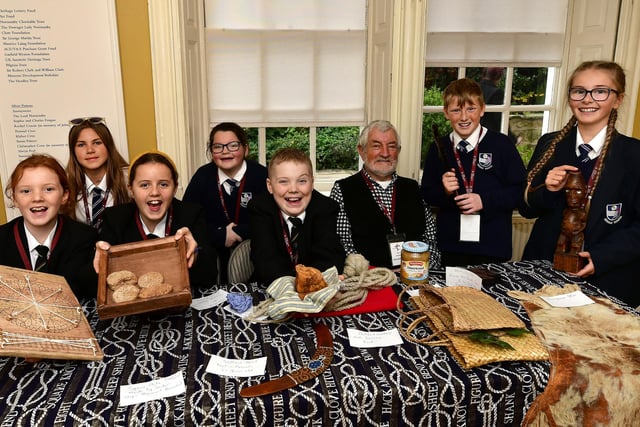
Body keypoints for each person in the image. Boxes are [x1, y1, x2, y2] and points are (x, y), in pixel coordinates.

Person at [520, 60, 640, 307]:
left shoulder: (634, 155)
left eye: (600, 91)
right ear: (570, 97)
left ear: (618, 99)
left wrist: (602, 257)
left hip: (608, 280)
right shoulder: (549, 144)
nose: (588, 99)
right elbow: (526, 208)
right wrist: (547, 190)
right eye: (579, 91)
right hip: (545, 275)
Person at [421, 78, 526, 266]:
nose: (464, 117)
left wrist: (484, 200)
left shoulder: (501, 145)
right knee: (451, 295)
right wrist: (443, 191)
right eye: (455, 110)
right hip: (451, 246)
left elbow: (519, 191)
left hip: (492, 246)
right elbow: (427, 194)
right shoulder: (438, 147)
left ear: (482, 109)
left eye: (471, 109)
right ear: (446, 113)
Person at [96, 151, 218, 288]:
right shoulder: (114, 219)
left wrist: (194, 256)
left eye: (164, 184)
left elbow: (210, 275)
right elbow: (101, 283)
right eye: (144, 185)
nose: (154, 192)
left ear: (174, 188)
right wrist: (102, 262)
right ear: (131, 190)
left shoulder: (191, 214)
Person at [330, 120, 441, 269]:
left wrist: (420, 268)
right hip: (368, 282)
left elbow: (431, 240)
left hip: (416, 278)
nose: (385, 153)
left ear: (399, 151)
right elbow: (342, 246)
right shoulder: (342, 190)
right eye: (376, 146)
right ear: (361, 151)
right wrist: (377, 276)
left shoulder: (414, 188)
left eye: (391, 146)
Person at [0, 154, 98, 298]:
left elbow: (85, 291)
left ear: (64, 195)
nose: (37, 198)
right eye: (26, 191)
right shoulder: (2, 240)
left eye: (48, 189)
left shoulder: (85, 238)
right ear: (14, 198)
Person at [183, 122, 267, 283]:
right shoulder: (202, 176)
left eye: (233, 145)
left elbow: (272, 220)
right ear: (211, 151)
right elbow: (188, 221)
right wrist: (220, 235)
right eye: (218, 147)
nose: (225, 151)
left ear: (246, 149)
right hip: (212, 265)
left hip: (254, 260)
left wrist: (240, 231)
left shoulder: (261, 175)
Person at [248, 148, 345, 284]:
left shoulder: (326, 208)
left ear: (312, 182)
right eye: (283, 182)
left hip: (315, 288)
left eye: (302, 181)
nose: (293, 189)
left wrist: (305, 284)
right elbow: (266, 261)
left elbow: (328, 259)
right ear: (270, 186)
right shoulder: (259, 208)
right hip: (271, 286)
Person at [66, 117, 130, 231]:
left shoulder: (129, 179)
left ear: (108, 146)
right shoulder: (66, 185)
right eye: (81, 145)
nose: (90, 150)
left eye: (97, 143)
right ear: (73, 151)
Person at [478, 67, 519, 144]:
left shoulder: (474, 89)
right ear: (499, 76)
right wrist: (513, 139)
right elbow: (500, 119)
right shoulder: (497, 93)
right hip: (490, 138)